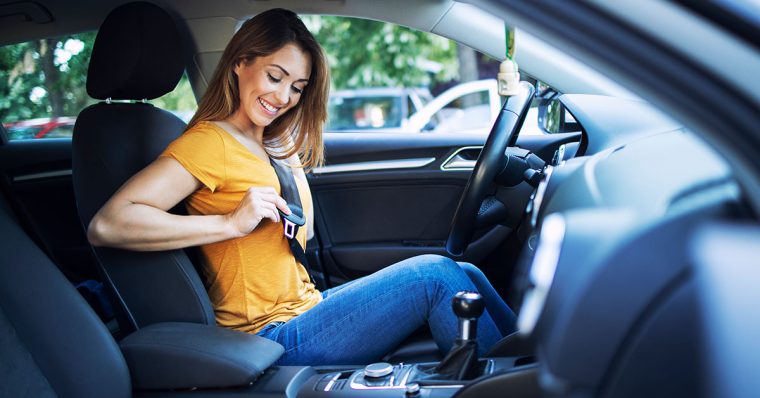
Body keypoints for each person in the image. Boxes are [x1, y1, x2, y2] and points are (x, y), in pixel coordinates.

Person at [87, 8, 516, 365]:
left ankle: (523, 364)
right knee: (435, 275)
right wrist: (230, 223)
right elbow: (108, 224)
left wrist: (285, 157)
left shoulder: (264, 142)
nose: (285, 96)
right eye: (275, 76)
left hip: (306, 308)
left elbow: (300, 234)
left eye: (297, 87)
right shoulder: (209, 142)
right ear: (240, 62)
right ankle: (507, 389)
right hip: (270, 336)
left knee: (466, 273)